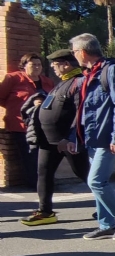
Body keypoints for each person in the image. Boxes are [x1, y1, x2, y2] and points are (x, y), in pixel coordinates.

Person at [67, 33, 115, 240]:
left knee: (96, 181)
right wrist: (74, 136)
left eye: (74, 52)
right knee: (99, 181)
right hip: (92, 138)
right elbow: (82, 109)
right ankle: (106, 224)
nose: (74, 56)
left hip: (108, 138)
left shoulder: (111, 70)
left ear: (82, 52)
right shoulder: (88, 74)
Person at [19, 50, 89, 226]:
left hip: (67, 141)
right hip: (48, 141)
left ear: (66, 64)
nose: (51, 67)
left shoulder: (79, 82)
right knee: (43, 174)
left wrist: (70, 137)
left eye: (55, 63)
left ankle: (108, 207)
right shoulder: (61, 83)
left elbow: (81, 112)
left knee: (86, 175)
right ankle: (45, 212)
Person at [0, 52, 54, 188]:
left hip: (43, 124)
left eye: (39, 64)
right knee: (30, 155)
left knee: (45, 155)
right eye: (33, 64)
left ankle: (45, 182)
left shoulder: (47, 81)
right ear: (24, 66)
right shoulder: (13, 78)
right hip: (22, 125)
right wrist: (17, 108)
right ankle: (34, 184)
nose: (36, 67)